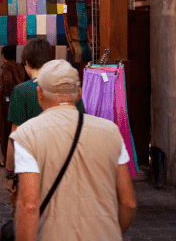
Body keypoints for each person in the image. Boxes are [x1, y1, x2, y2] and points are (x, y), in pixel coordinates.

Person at [12, 60, 137, 240]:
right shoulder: (111, 131)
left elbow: (29, 206)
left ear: (40, 94)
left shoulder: (27, 134)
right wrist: (114, 232)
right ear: (79, 94)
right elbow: (128, 202)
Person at [5, 39, 87, 205]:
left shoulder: (21, 91)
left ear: (27, 63)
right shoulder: (69, 88)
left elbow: (15, 137)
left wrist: (9, 173)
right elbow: (82, 127)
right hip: (67, 166)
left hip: (32, 169)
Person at [0, 46, 25, 168]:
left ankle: (6, 159)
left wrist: (6, 95)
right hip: (19, 100)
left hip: (8, 104)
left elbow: (7, 81)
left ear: (3, 56)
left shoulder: (6, 67)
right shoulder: (19, 66)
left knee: (5, 131)